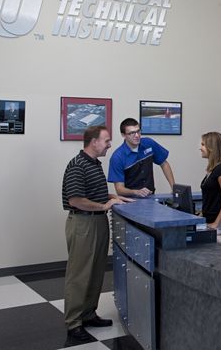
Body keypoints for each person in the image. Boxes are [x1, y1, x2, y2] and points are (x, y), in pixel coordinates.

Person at [62, 125, 133, 344]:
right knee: (80, 274)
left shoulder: (94, 164)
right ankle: (74, 323)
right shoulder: (77, 165)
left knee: (95, 271)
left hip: (97, 222)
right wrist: (104, 206)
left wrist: (113, 197)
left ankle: (88, 313)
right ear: (94, 142)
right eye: (106, 140)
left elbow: (92, 192)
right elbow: (76, 200)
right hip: (83, 223)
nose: (110, 145)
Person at [108, 117, 175, 197]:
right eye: (132, 133)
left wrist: (173, 187)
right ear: (123, 135)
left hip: (150, 196)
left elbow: (164, 163)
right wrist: (136, 192)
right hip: (130, 200)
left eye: (138, 131)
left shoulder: (149, 143)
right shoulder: (117, 157)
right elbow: (119, 189)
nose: (137, 135)